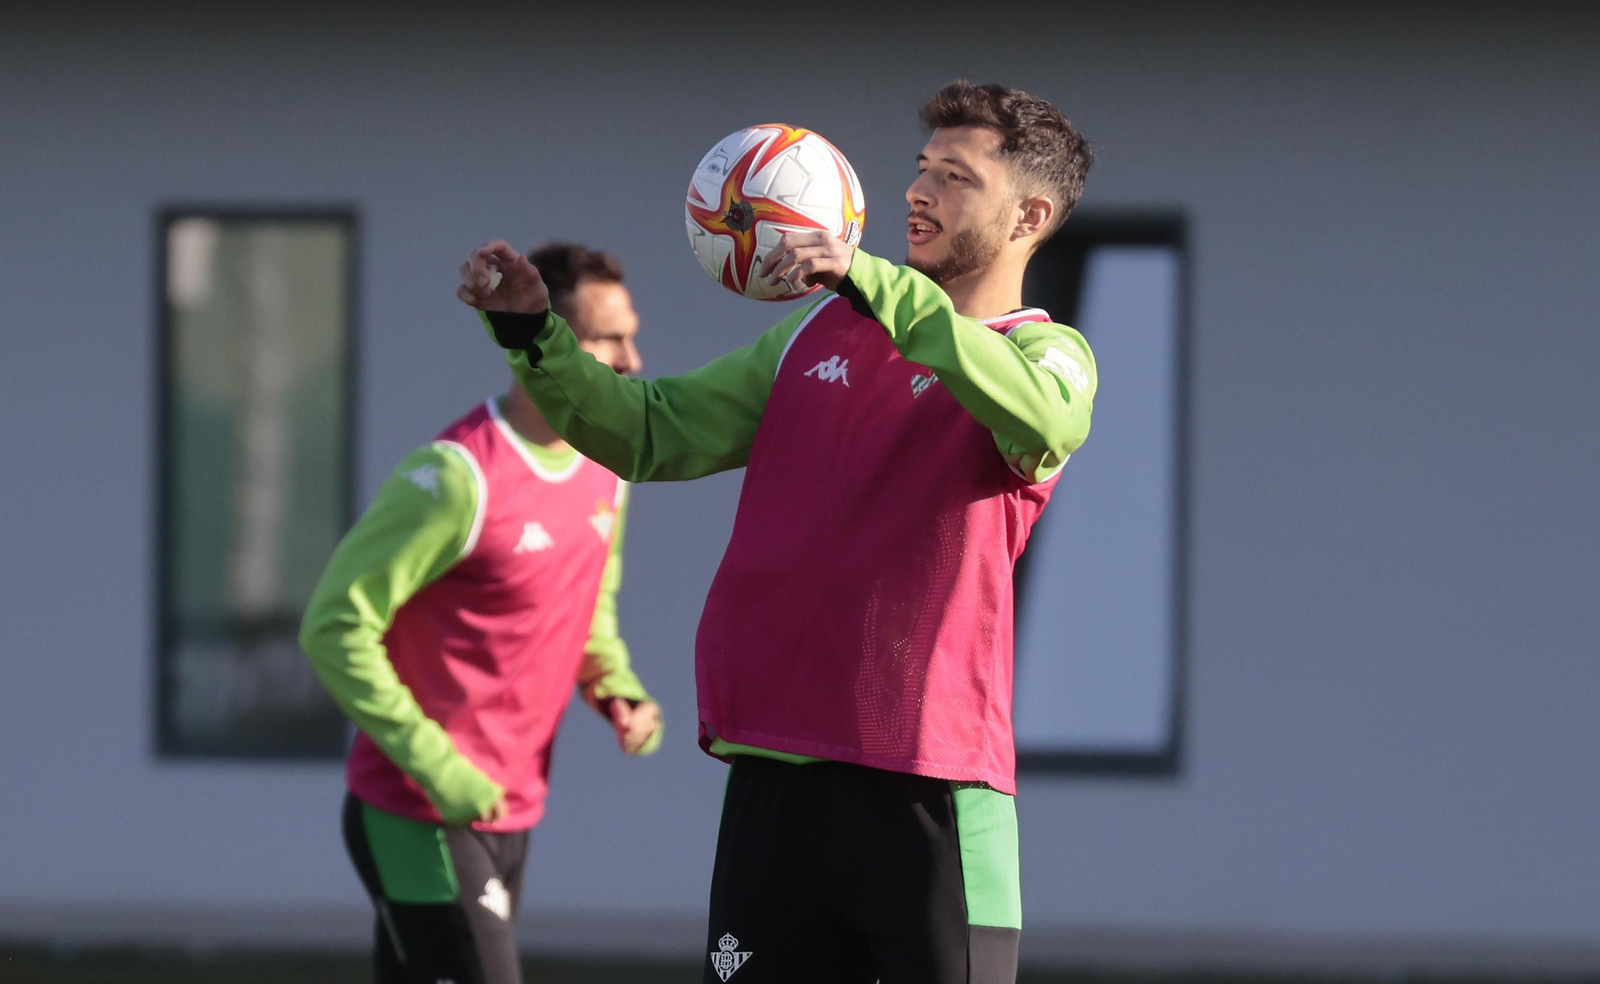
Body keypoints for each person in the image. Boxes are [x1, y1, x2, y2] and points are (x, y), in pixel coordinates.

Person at [458, 81, 1097, 984]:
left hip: (931, 792)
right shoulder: (812, 338)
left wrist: (866, 277)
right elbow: (649, 431)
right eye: (920, 169)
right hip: (772, 780)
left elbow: (1039, 414)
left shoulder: (1048, 355)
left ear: (1030, 215)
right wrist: (534, 336)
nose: (917, 192)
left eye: (955, 177)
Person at [300, 242, 661, 984]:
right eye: (608, 338)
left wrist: (615, 688)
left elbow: (587, 606)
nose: (632, 360)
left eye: (632, 335)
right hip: (419, 811)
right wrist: (441, 768)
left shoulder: (606, 467)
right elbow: (334, 627)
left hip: (513, 807)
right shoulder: (456, 478)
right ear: (547, 341)